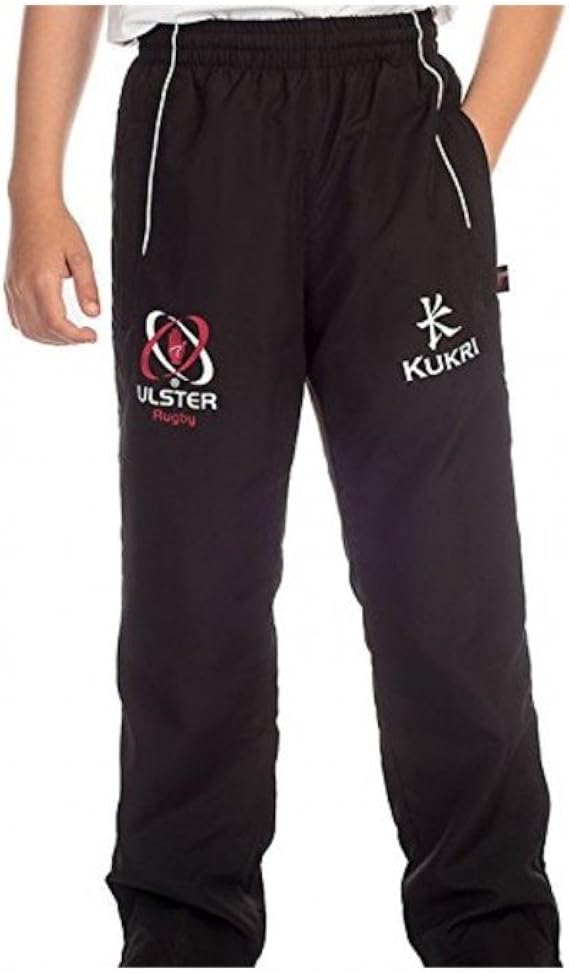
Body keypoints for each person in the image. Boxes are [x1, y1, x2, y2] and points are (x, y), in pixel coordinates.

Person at [4, 3, 565, 967]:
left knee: (448, 570)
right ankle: (183, 930)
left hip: (396, 104)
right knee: (194, 576)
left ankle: (492, 930)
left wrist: (468, 144)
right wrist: (33, 190)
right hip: (195, 108)